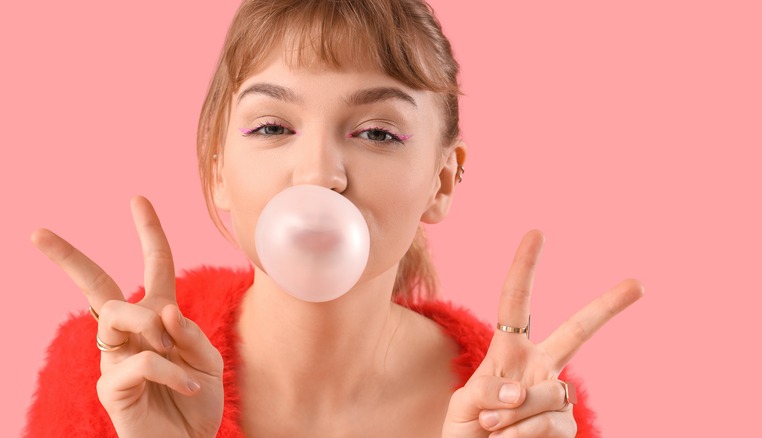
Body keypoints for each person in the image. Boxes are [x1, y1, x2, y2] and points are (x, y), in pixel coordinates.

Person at [25, 0, 643, 436]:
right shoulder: (113, 377)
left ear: (443, 179)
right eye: (272, 127)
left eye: (377, 132)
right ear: (218, 171)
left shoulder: (524, 413)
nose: (319, 173)